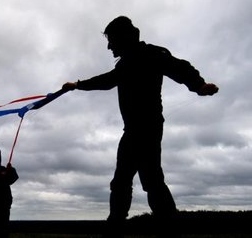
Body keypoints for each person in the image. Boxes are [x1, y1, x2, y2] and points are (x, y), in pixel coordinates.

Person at [62, 16, 218, 233]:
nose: (108, 46)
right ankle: (121, 227)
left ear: (123, 37)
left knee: (146, 181)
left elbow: (179, 68)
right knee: (128, 182)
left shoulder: (151, 54)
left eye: (111, 40)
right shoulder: (126, 63)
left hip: (146, 128)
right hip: (135, 130)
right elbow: (107, 80)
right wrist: (77, 85)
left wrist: (199, 85)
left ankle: (148, 228)